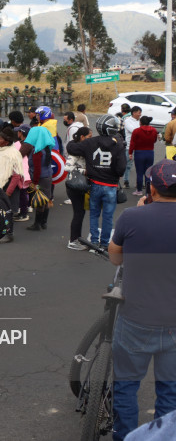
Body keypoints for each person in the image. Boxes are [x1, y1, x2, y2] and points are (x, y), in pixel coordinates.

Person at [108, 159, 176, 440]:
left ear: (152, 188)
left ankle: (125, 435)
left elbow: (115, 257)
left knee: (126, 385)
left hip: (136, 317)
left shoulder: (132, 217)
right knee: (170, 390)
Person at [67, 114, 126, 249]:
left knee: (94, 214)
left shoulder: (90, 142)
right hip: (111, 185)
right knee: (108, 216)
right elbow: (121, 168)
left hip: (95, 184)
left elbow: (71, 148)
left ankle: (94, 241)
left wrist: (72, 141)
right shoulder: (118, 144)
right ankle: (104, 243)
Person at [0, 127, 24, 244]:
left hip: (9, 188)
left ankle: (9, 234)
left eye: (0, 138)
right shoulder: (1, 151)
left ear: (6, 142)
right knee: (2, 212)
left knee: (7, 212)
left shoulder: (12, 154)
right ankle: (3, 232)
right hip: (1, 186)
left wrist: (8, 193)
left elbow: (16, 175)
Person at [64, 127, 92, 250]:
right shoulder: (76, 151)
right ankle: (73, 240)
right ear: (82, 137)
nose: (91, 139)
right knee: (79, 213)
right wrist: (83, 171)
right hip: (75, 186)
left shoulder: (83, 149)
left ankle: (77, 238)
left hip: (81, 185)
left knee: (80, 212)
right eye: (89, 137)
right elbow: (67, 167)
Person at [25, 126, 56, 232]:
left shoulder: (37, 151)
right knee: (46, 199)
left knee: (39, 200)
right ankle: (44, 222)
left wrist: (35, 183)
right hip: (47, 176)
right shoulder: (46, 148)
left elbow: (37, 169)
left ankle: (37, 224)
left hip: (40, 179)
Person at [129, 115, 157, 196]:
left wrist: (130, 153)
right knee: (148, 172)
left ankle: (139, 190)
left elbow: (132, 143)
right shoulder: (154, 130)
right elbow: (154, 140)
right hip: (150, 152)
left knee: (139, 172)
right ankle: (148, 191)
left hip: (139, 152)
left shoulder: (136, 131)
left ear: (140, 122)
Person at [122, 106, 142, 188]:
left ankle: (139, 182)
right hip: (129, 146)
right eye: (139, 112)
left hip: (139, 146)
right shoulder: (127, 121)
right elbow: (133, 131)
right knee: (128, 165)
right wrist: (142, 131)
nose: (140, 114)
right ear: (134, 113)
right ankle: (126, 181)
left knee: (140, 165)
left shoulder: (140, 121)